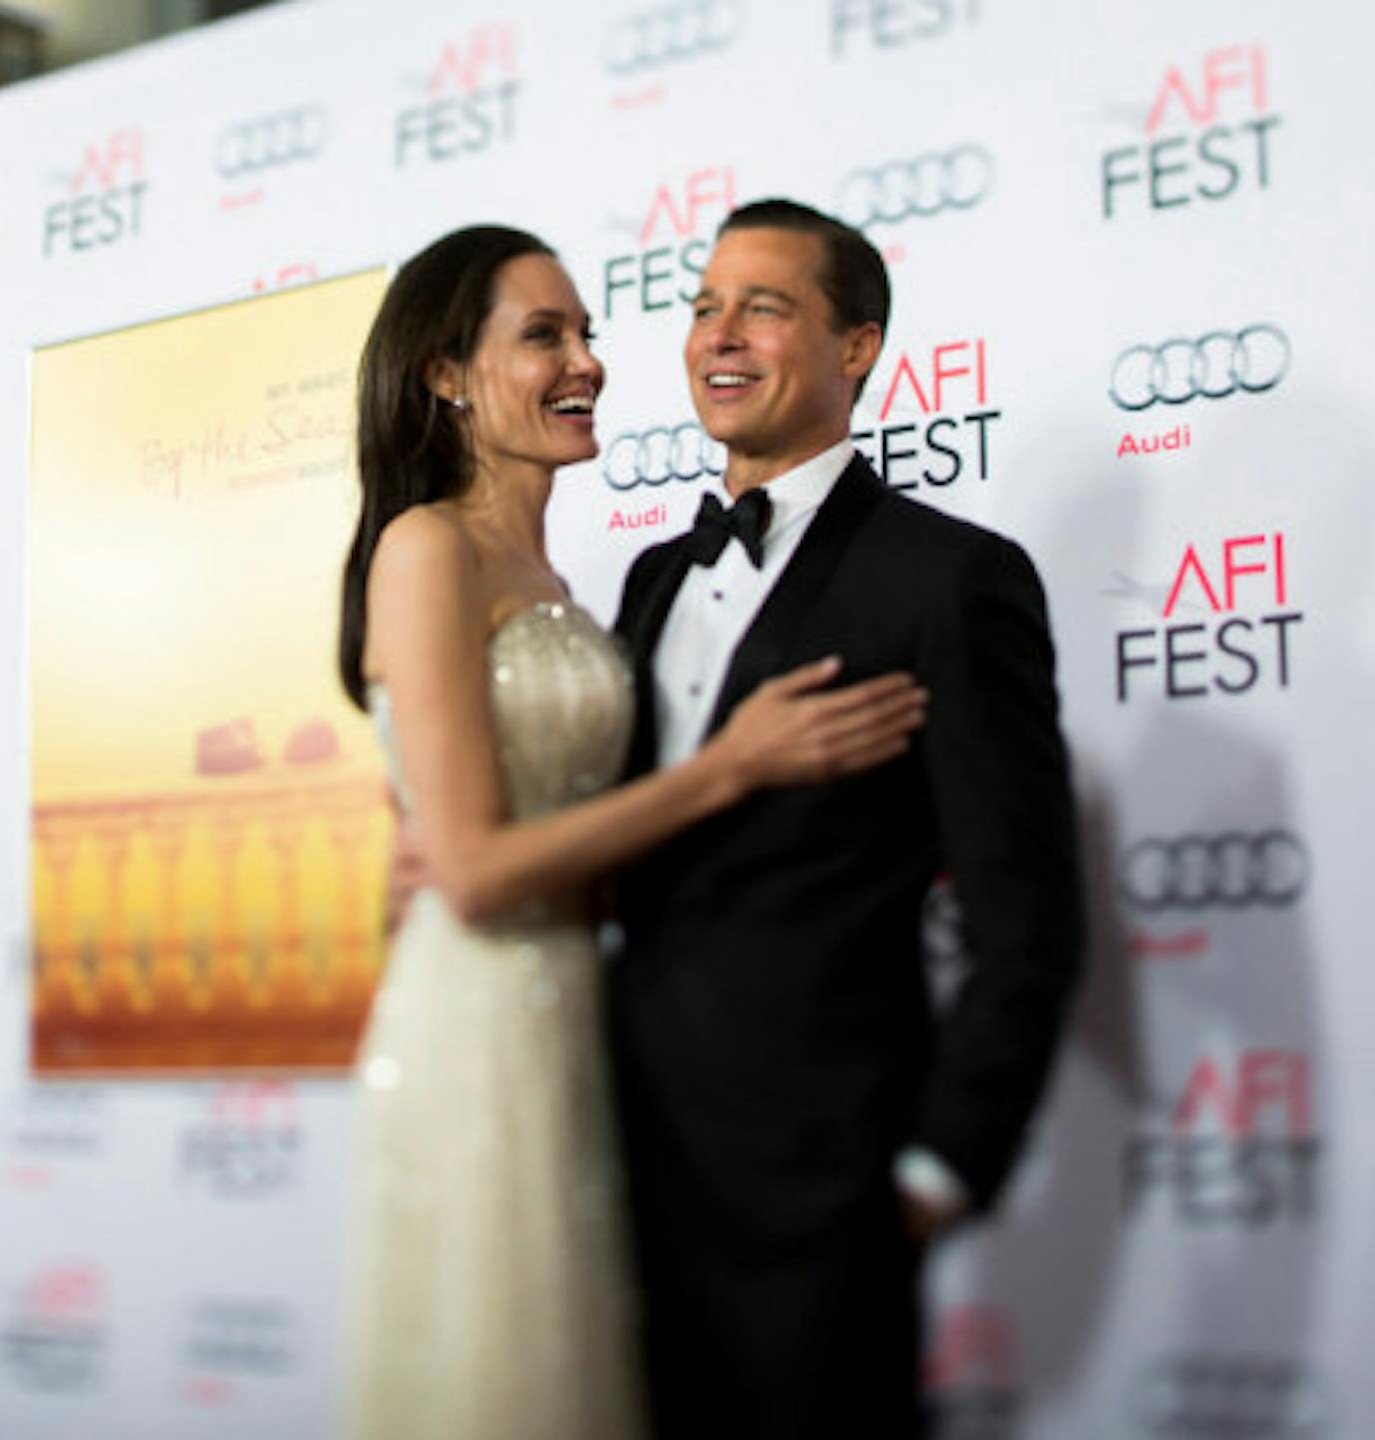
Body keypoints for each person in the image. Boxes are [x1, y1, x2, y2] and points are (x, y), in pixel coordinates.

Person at [335, 224, 929, 1440]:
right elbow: (477, 874)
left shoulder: (575, 587)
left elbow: (565, 832)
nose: (586, 362)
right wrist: (732, 769)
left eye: (587, 333)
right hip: (481, 1022)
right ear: (445, 373)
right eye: (541, 335)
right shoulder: (426, 547)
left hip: (596, 1032)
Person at [606, 199, 1084, 1437]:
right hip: (623, 1164)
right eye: (704, 307)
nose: (720, 335)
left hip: (824, 1186)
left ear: (857, 346)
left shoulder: (949, 579)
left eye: (763, 307)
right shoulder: (651, 579)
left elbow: (1026, 911)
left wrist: (939, 1167)